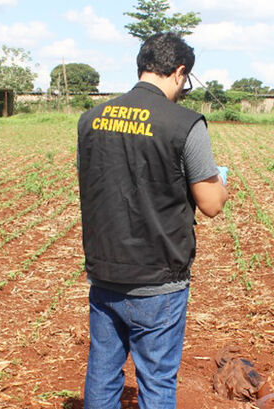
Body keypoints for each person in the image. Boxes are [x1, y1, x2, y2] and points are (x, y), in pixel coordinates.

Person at [76, 32, 228, 408]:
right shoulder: (184, 123)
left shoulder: (90, 119)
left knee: (102, 372)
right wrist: (220, 182)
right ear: (179, 72)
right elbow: (211, 204)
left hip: (106, 274)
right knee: (157, 379)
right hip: (159, 281)